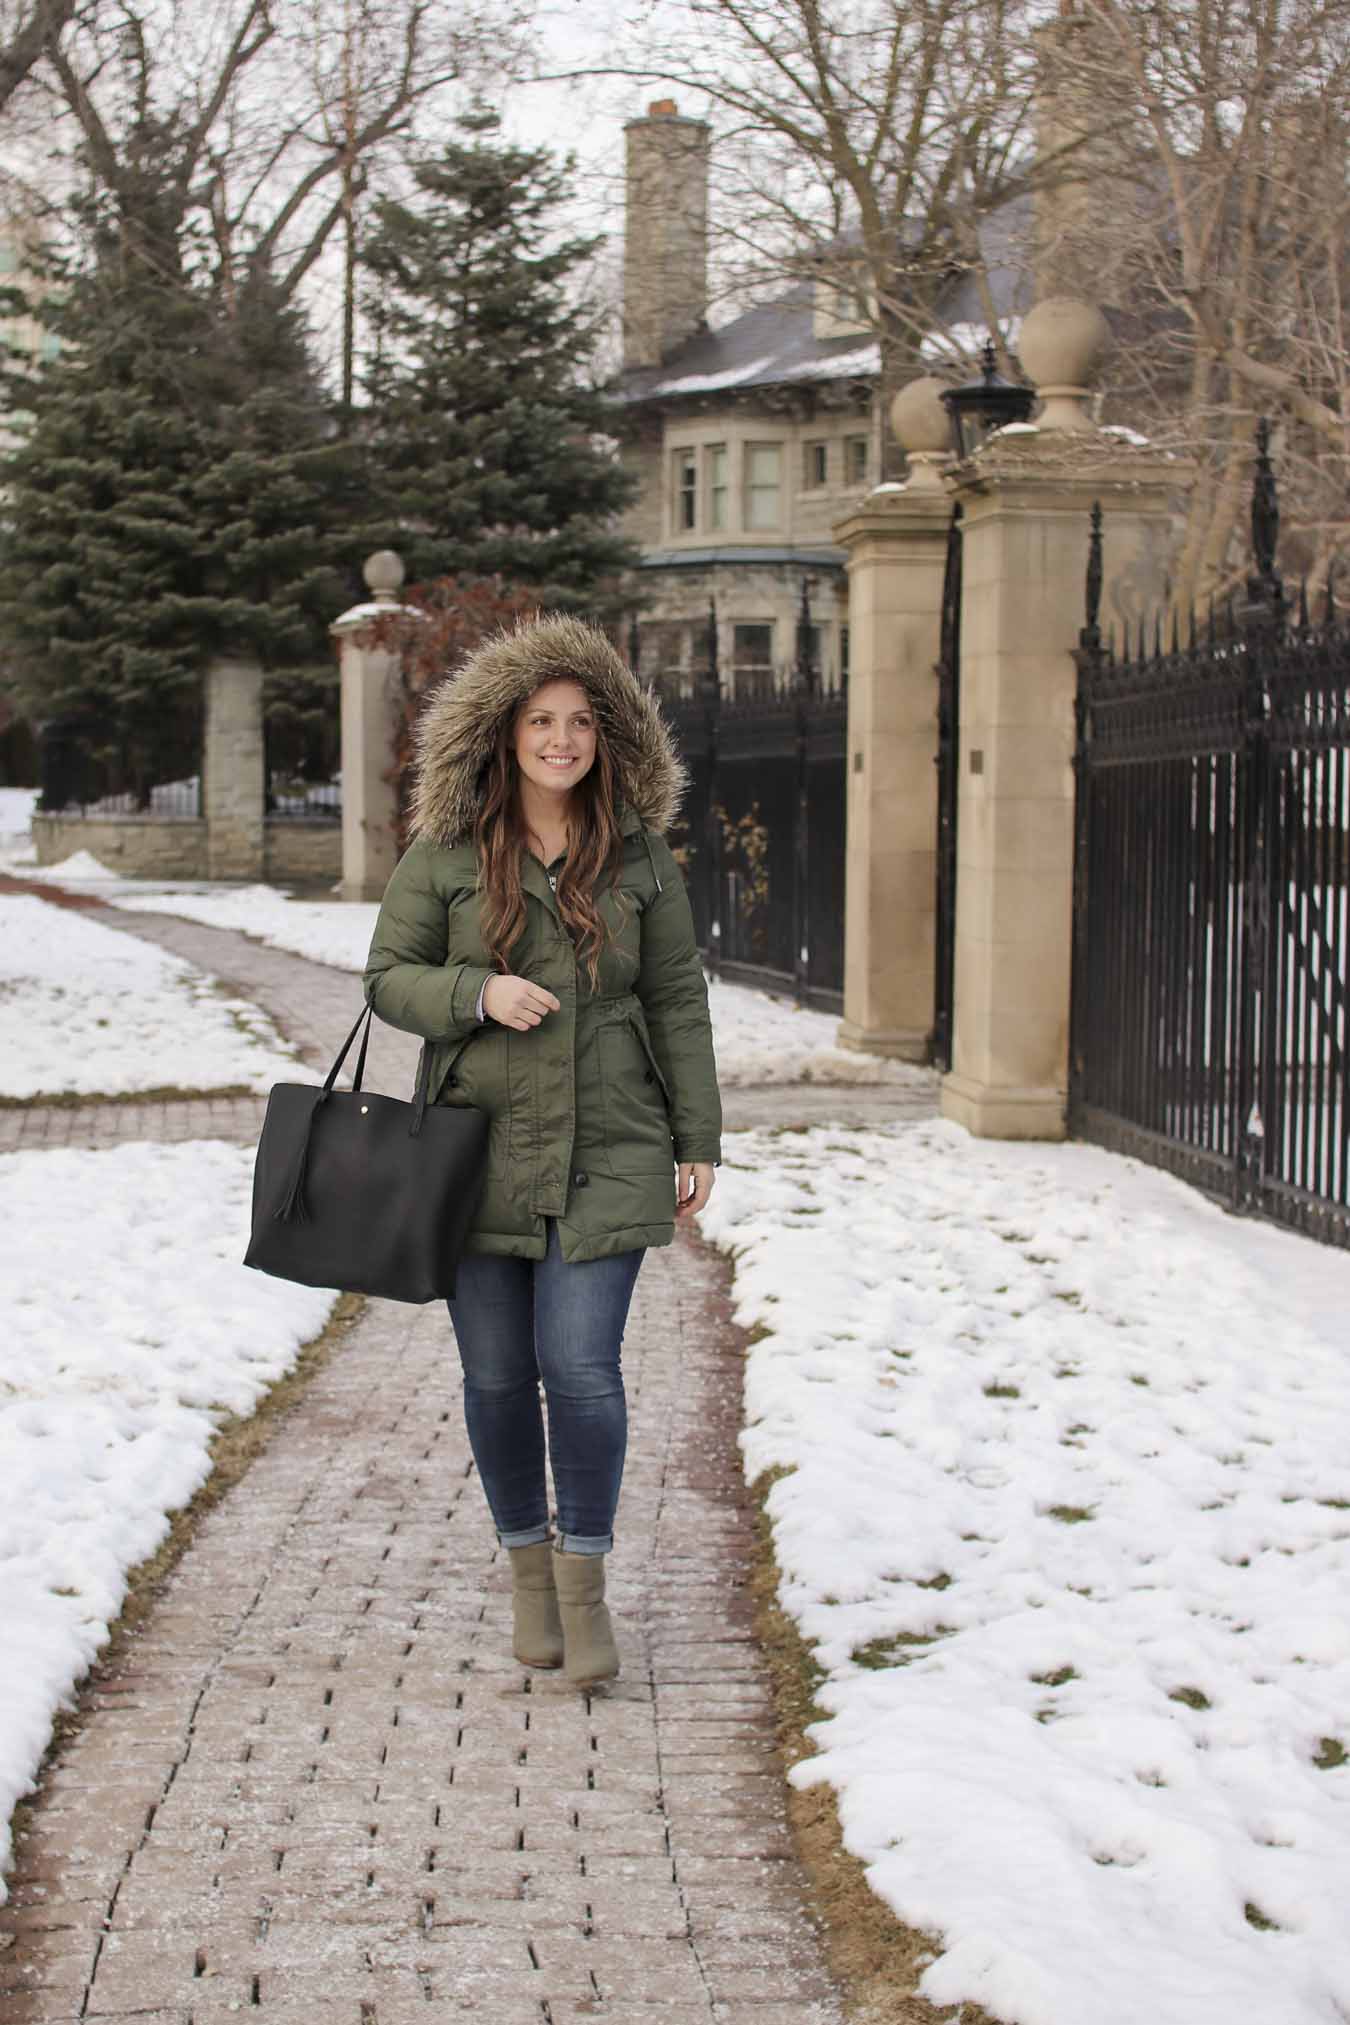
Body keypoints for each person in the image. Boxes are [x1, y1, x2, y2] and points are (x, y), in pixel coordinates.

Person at [363, 614, 722, 1689]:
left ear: (608, 739)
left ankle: (586, 1585)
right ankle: (527, 1571)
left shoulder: (640, 854)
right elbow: (387, 979)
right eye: (540, 721)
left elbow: (676, 998)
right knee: (496, 1375)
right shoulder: (447, 853)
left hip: (612, 1136)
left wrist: (698, 1135)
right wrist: (476, 991)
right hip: (477, 1147)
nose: (561, 739)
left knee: (583, 1372)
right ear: (505, 735)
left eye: (579, 722)